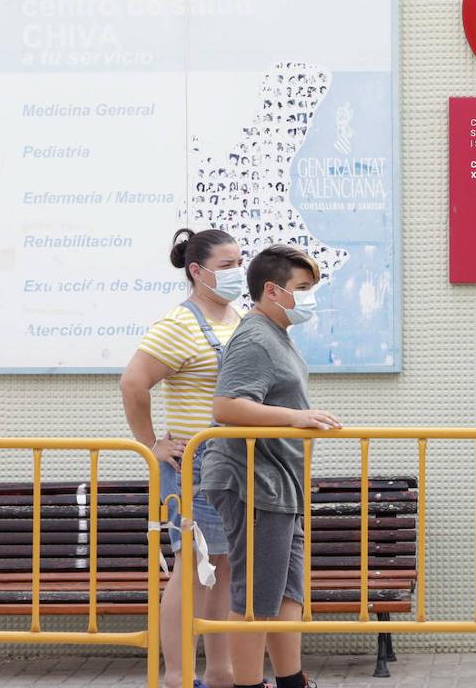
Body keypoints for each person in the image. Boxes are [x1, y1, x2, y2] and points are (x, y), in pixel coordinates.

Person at [201, 245, 342, 688]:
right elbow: (226, 405)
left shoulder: (275, 335)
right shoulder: (256, 336)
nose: (310, 297)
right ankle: (249, 684)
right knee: (257, 596)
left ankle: (291, 680)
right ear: (272, 290)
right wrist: (296, 418)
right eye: (303, 288)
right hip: (252, 482)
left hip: (279, 484)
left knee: (285, 592)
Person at [121, 229, 242, 688]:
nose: (237, 272)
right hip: (197, 464)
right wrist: (152, 443)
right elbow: (133, 383)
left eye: (238, 263)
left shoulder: (238, 316)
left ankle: (221, 674)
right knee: (191, 571)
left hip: (234, 463)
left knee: (224, 570)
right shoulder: (180, 323)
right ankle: (177, 677)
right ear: (197, 271)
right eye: (227, 265)